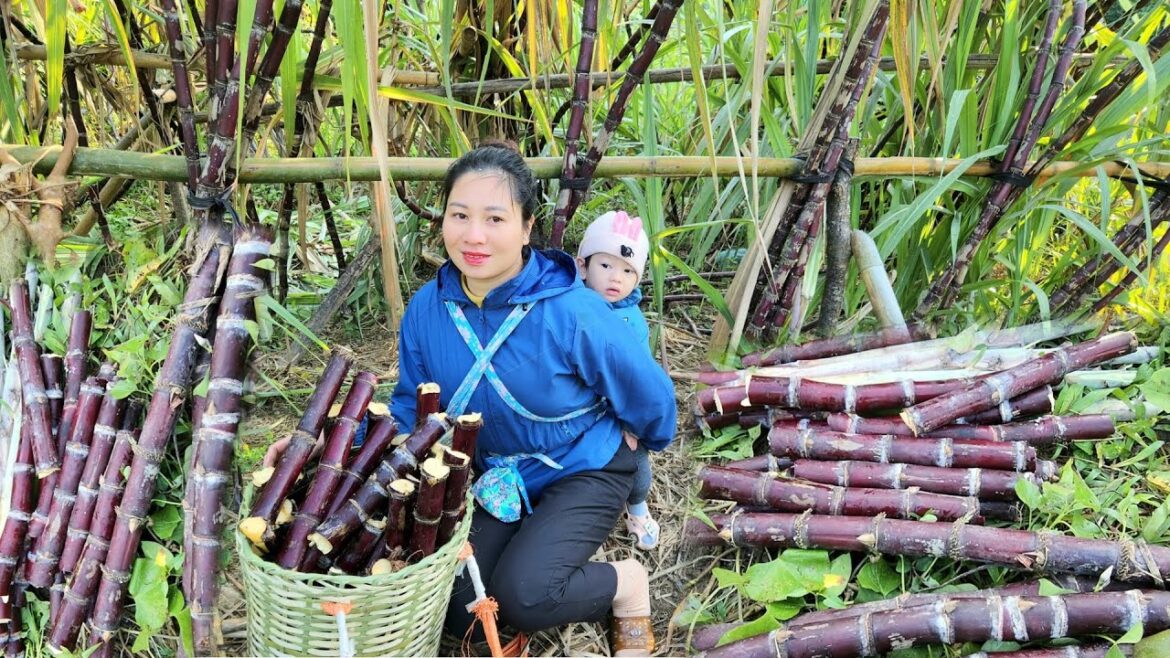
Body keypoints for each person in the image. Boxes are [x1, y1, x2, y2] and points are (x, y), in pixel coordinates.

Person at [392, 143, 676, 655]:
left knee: (525, 595)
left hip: (584, 465)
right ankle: (518, 601)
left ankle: (627, 582)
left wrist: (642, 442)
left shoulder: (573, 310)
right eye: (460, 215)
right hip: (502, 478)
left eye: (495, 218)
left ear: (526, 228)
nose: (473, 235)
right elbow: (410, 406)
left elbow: (651, 395)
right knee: (458, 603)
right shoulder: (427, 310)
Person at [575, 210, 661, 551]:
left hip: (617, 411)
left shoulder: (632, 322)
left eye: (628, 271)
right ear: (583, 266)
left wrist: (633, 421)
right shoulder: (570, 307)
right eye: (606, 266)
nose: (616, 278)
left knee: (635, 460)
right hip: (577, 407)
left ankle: (637, 508)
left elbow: (638, 377)